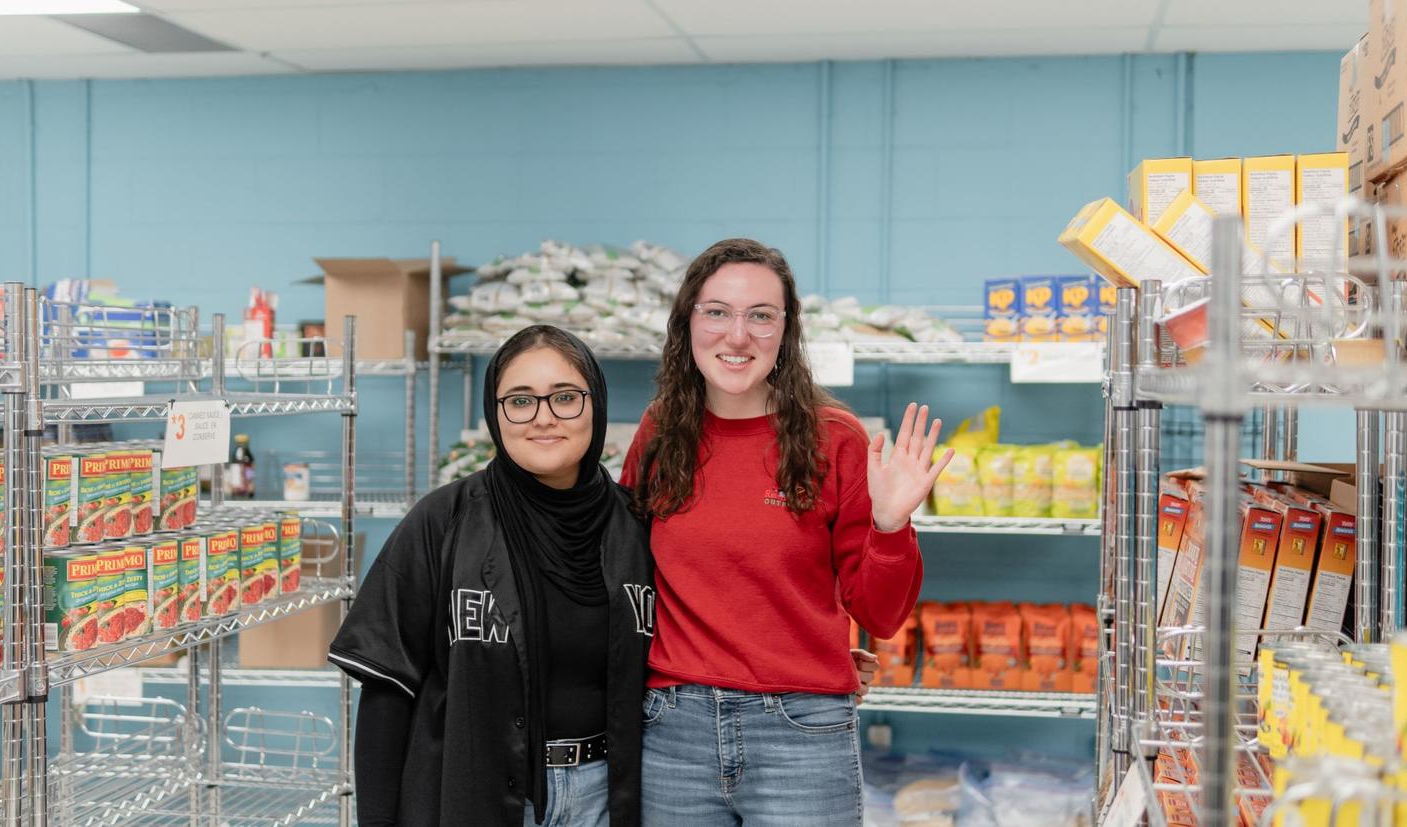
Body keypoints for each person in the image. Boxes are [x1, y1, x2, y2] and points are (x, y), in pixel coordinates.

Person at [622, 238, 952, 825]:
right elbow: (628, 583)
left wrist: (891, 524)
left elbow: (880, 616)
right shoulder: (659, 434)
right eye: (717, 311)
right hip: (672, 729)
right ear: (687, 323)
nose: (737, 335)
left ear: (786, 329)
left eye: (761, 316)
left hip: (800, 731)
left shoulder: (835, 438)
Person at [328, 325, 654, 827]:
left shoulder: (639, 525)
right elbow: (387, 691)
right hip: (472, 792)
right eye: (520, 401)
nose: (544, 418)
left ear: (597, 404)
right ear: (494, 412)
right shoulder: (444, 520)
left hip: (605, 798)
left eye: (565, 397)